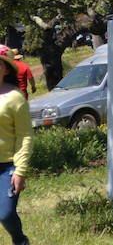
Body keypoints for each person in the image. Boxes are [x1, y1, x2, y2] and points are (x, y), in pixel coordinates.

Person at [0, 49, 33, 245]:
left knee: (5, 213)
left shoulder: (15, 97)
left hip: (7, 167)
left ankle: (20, 241)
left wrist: (20, 171)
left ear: (5, 69)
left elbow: (25, 135)